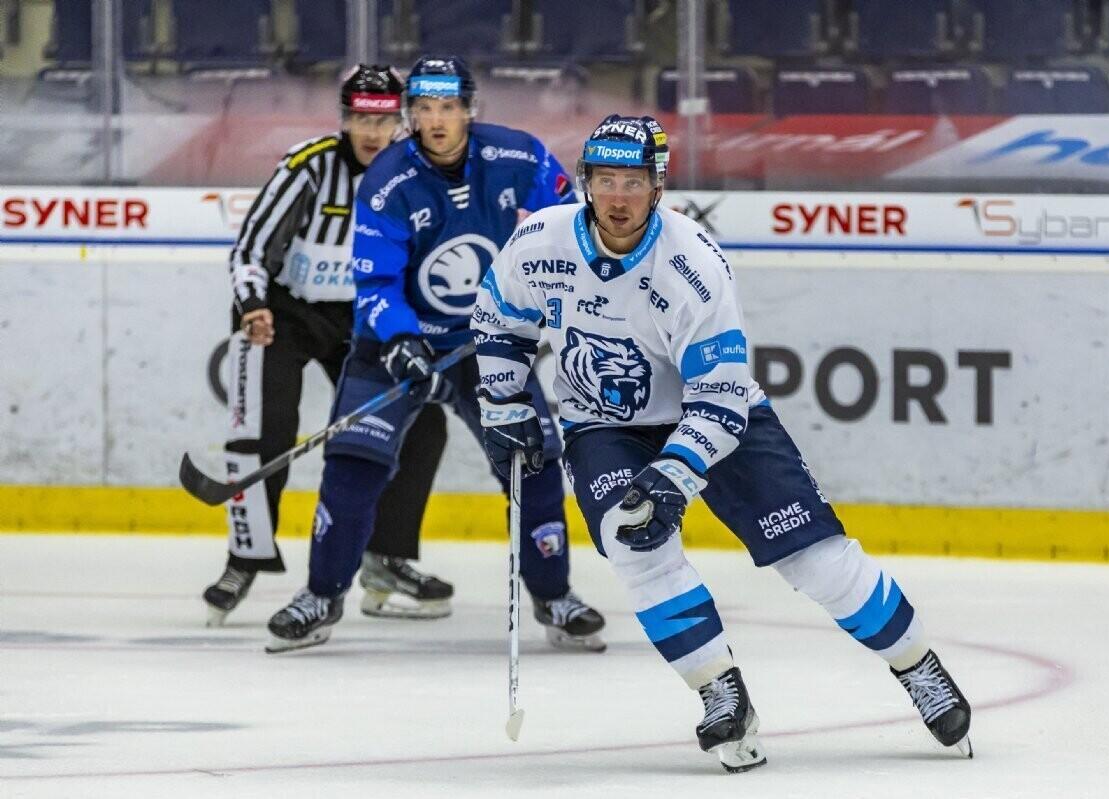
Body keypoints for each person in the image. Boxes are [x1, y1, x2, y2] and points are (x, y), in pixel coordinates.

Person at [471, 114, 973, 772]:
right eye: (604, 181)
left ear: (658, 188)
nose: (617, 197)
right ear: (585, 184)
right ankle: (722, 694)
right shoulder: (540, 240)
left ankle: (918, 665)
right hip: (603, 422)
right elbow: (498, 314)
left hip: (717, 417)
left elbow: (720, 396)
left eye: (633, 182)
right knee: (635, 543)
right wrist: (503, 399)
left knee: (816, 561)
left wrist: (675, 473)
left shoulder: (693, 263)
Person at [264, 55, 606, 655]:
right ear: (409, 115)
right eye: (422, 109)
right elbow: (375, 283)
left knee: (534, 461)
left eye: (447, 107)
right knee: (354, 462)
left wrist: (569, 277)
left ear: (469, 109)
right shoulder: (387, 180)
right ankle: (321, 595)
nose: (436, 120)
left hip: (488, 341)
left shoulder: (519, 156)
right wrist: (399, 339)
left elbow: (576, 218)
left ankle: (554, 596)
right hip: (399, 345)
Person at [204, 65, 454, 627]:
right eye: (361, 118)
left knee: (421, 426)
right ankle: (244, 558)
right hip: (285, 314)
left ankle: (386, 559)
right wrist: (253, 305)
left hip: (365, 319)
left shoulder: (418, 174)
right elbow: (249, 251)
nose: (372, 131)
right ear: (343, 119)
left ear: (402, 121)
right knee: (265, 433)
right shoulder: (308, 167)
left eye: (384, 119)